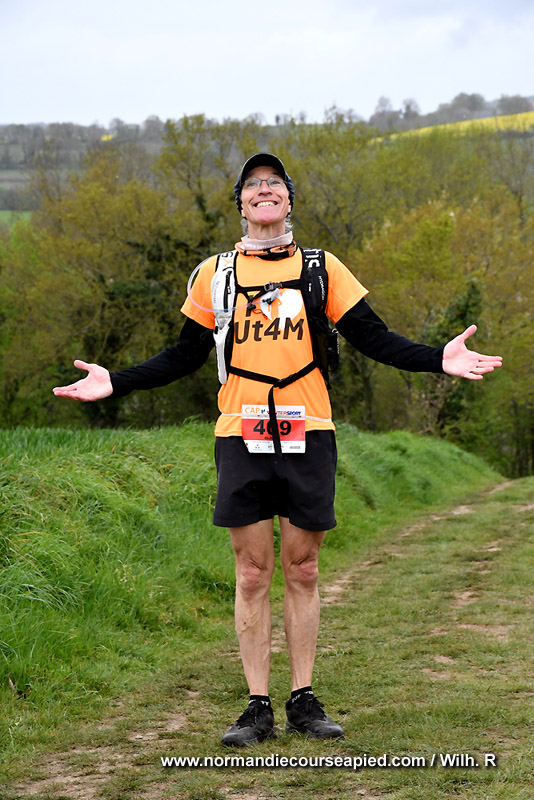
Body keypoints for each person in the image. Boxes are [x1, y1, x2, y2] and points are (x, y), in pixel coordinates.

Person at [53, 152, 502, 746]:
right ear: (240, 203)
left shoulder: (321, 268)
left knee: (303, 568)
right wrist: (118, 381)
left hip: (309, 429)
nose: (263, 190)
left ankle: (303, 699)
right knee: (251, 571)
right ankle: (256, 705)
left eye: (274, 183)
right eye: (252, 184)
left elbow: (374, 338)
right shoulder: (215, 274)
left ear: (289, 199)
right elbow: (184, 354)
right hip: (239, 433)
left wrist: (437, 359)